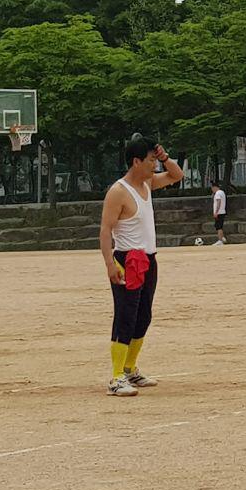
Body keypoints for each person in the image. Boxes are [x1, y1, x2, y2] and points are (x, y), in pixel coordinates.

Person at [98, 137, 183, 396]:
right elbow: (105, 230)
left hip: (148, 259)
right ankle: (116, 377)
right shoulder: (118, 191)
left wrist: (165, 157)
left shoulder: (147, 183)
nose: (154, 165)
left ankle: (130, 368)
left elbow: (177, 175)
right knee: (126, 315)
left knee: (143, 316)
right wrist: (110, 264)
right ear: (136, 162)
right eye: (151, 160)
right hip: (128, 260)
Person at [211, 180, 228, 245]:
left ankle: (220, 240)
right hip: (222, 211)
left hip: (219, 212)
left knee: (219, 227)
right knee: (219, 225)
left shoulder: (217, 193)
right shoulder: (222, 192)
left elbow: (218, 202)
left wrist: (216, 212)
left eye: (212, 188)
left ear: (214, 187)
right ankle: (222, 238)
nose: (212, 190)